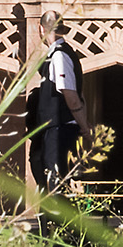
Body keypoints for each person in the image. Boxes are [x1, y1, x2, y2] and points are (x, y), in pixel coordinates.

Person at [26, 35, 87, 197]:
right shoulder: (57, 55)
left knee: (55, 182)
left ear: (41, 29)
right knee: (49, 182)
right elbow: (79, 96)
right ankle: (50, 221)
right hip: (55, 129)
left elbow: (72, 96)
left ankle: (60, 221)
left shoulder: (60, 55)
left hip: (60, 128)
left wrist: (85, 127)